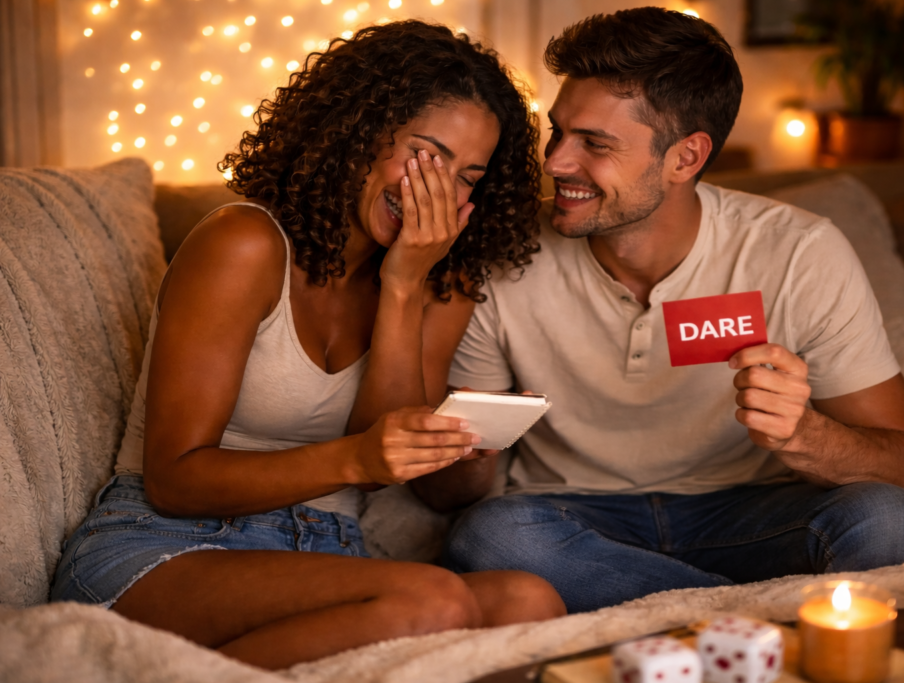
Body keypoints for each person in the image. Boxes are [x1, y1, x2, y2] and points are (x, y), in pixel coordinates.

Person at [50, 21, 565, 668]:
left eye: (467, 176)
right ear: (358, 133)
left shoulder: (441, 281)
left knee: (529, 599)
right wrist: (353, 459)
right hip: (170, 544)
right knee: (435, 603)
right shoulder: (244, 245)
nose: (439, 191)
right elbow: (175, 479)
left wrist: (403, 288)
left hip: (325, 549)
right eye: (428, 155)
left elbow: (417, 477)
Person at [417, 8, 904, 614]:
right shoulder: (506, 251)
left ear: (686, 157)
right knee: (490, 536)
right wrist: (466, 455)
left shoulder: (798, 250)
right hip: (575, 519)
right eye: (558, 132)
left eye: (595, 144)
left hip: (751, 516)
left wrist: (806, 434)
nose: (557, 162)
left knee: (900, 523)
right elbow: (449, 496)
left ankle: (687, 626)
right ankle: (757, 632)